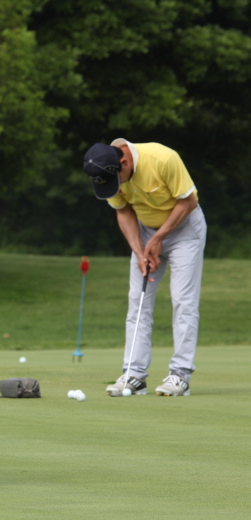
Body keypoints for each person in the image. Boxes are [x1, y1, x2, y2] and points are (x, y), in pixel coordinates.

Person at [83, 139, 206, 396]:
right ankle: (134, 374)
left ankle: (180, 375)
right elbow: (123, 211)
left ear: (124, 162)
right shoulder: (109, 172)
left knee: (183, 300)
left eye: (117, 179)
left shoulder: (163, 158)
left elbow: (189, 201)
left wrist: (159, 238)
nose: (116, 186)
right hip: (146, 232)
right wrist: (139, 251)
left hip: (185, 231)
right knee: (138, 302)